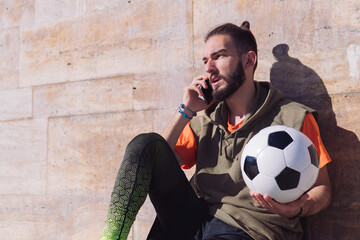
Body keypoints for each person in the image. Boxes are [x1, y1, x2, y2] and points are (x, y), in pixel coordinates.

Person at [100, 21, 332, 240]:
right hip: (195, 219)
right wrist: (186, 110)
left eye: (218, 57)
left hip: (249, 228)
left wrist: (298, 208)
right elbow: (153, 161)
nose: (209, 68)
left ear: (249, 60)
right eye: (205, 61)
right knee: (146, 145)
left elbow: (322, 188)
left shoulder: (293, 117)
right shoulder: (205, 120)